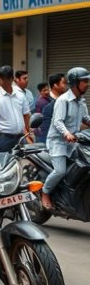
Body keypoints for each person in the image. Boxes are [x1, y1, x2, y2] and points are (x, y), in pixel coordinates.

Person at [42, 67, 90, 209]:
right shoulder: (63, 100)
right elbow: (57, 121)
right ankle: (45, 192)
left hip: (74, 142)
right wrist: (67, 133)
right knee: (60, 171)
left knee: (82, 166)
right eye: (85, 81)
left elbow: (86, 118)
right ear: (75, 82)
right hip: (58, 142)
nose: (87, 84)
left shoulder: (81, 101)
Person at [0, 65, 31, 152]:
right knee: (5, 164)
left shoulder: (20, 95)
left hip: (20, 138)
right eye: (2, 80)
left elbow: (26, 115)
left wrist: (27, 132)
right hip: (4, 139)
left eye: (6, 80)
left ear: (12, 79)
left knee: (23, 163)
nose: (4, 83)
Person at [35, 73, 68, 144]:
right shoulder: (44, 102)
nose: (66, 86)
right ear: (55, 85)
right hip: (48, 141)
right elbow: (44, 127)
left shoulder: (65, 100)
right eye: (64, 83)